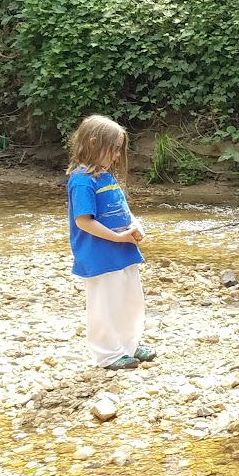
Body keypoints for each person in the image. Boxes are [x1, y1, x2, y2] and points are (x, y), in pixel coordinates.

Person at [66, 115, 154, 370]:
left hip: (123, 250)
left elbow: (122, 209)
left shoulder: (105, 175)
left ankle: (129, 344)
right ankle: (108, 353)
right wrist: (117, 237)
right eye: (114, 148)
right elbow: (83, 221)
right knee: (105, 305)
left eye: (119, 149)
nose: (117, 155)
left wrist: (135, 226)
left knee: (131, 300)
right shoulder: (82, 180)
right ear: (94, 143)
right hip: (99, 254)